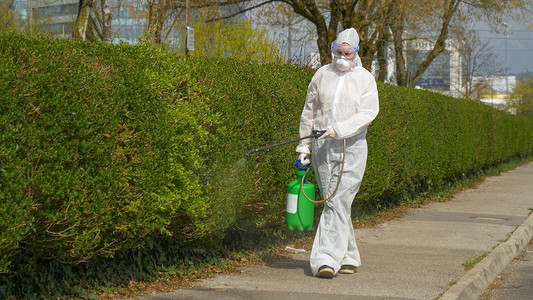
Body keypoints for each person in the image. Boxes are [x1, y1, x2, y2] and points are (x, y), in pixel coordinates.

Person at [295, 28, 379, 278]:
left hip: (350, 148)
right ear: (333, 50)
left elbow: (367, 114)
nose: (342, 56)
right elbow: (308, 112)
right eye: (338, 51)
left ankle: (325, 259)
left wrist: (338, 129)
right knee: (336, 203)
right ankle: (349, 255)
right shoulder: (322, 75)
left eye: (347, 52)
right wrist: (303, 148)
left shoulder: (365, 79)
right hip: (322, 147)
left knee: (337, 201)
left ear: (355, 53)